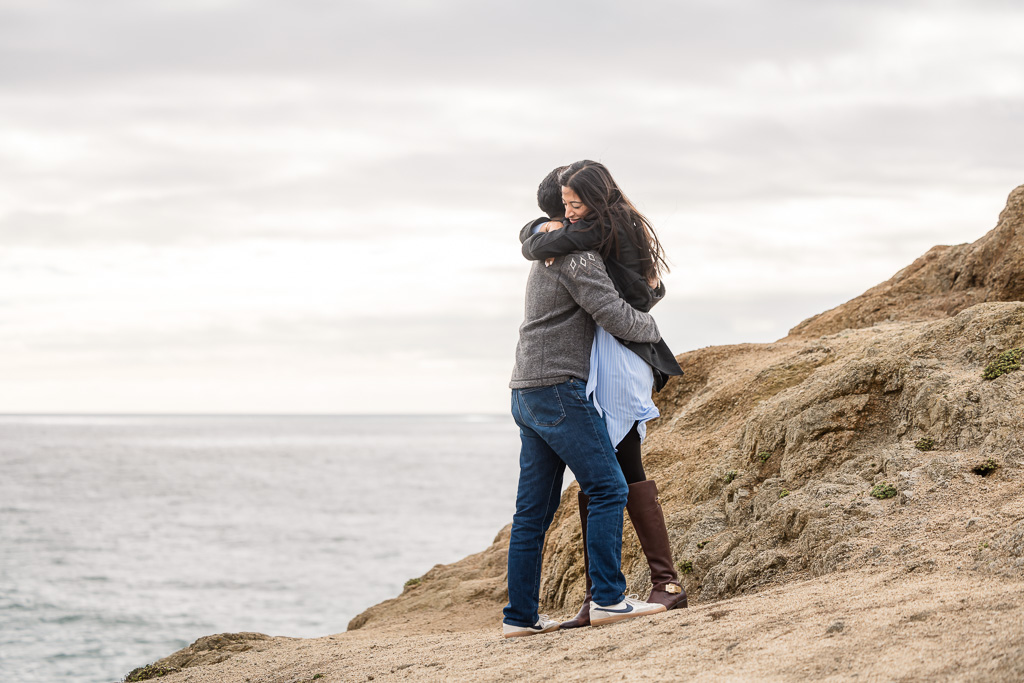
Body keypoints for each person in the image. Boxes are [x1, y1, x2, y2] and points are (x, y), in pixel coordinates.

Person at [519, 160, 688, 629]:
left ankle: (658, 587)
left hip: (619, 352)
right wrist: (540, 226)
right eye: (564, 206)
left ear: (594, 199)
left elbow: (629, 294)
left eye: (574, 204)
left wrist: (539, 233)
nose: (569, 214)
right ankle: (606, 597)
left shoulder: (600, 228)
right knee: (610, 466)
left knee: (619, 463)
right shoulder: (597, 225)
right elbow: (642, 287)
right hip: (605, 351)